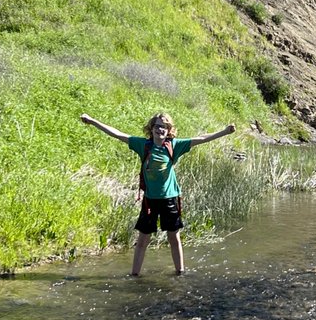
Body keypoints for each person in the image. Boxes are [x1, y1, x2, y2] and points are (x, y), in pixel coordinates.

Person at [79, 110, 235, 276]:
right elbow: (117, 134)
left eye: (164, 127)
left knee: (174, 238)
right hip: (150, 200)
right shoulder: (143, 145)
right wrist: (92, 121)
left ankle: (180, 273)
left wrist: (225, 131)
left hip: (170, 199)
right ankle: (134, 275)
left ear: (168, 131)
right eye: (157, 126)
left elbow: (201, 138)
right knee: (142, 240)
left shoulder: (174, 145)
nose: (160, 129)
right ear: (151, 129)